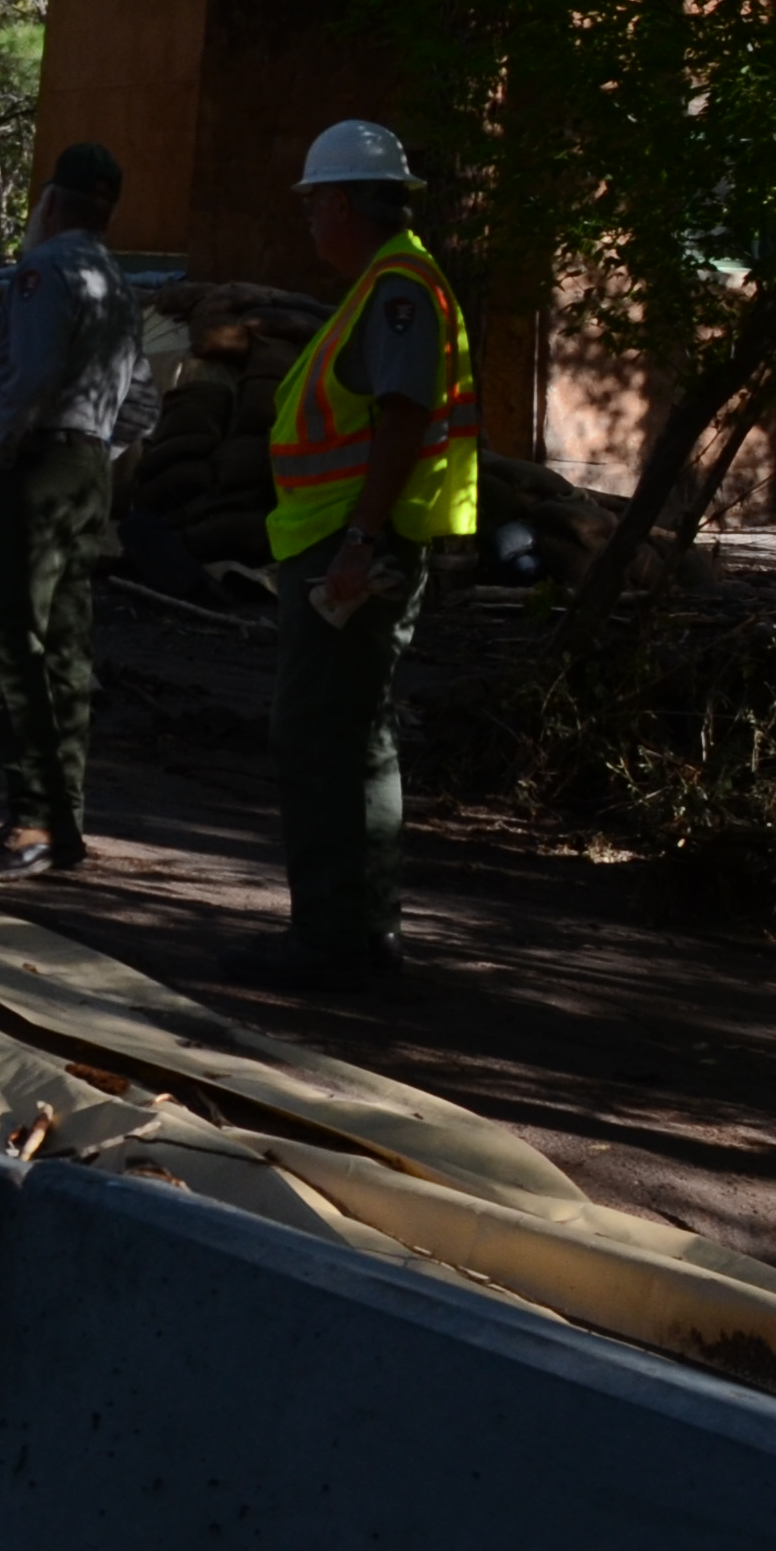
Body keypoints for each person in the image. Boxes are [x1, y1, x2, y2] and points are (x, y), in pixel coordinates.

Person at [264, 119, 481, 980]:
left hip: (348, 550)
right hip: (346, 542)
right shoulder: (388, 285)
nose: (309, 221)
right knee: (357, 736)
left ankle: (330, 940)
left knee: (320, 737)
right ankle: (365, 933)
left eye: (315, 203)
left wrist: (357, 540)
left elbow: (400, 416)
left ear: (346, 202)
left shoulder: (397, 290)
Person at [0, 143, 139, 876]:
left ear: (52, 199)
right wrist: (103, 452)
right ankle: (63, 817)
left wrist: (0, 451)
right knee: (67, 646)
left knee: (8, 636)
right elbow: (147, 397)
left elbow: (30, 373)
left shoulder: (45, 271)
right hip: (90, 466)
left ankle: (30, 816)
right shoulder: (119, 281)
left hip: (37, 466)